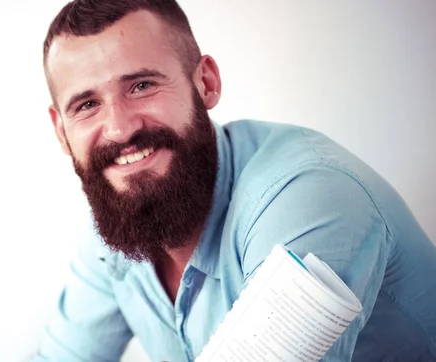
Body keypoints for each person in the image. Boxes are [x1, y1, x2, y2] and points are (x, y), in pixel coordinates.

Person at [33, 0, 436, 361]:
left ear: (206, 82)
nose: (120, 129)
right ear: (61, 131)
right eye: (87, 105)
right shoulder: (118, 222)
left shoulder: (308, 196)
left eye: (142, 85)